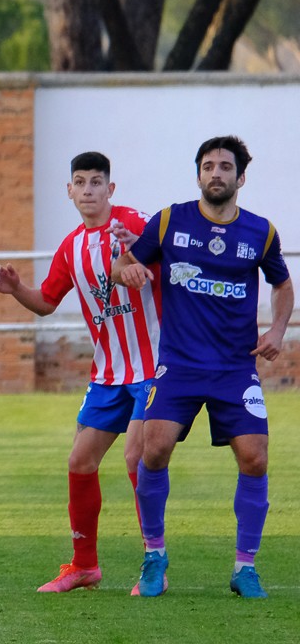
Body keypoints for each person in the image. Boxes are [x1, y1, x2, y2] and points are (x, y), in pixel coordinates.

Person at [112, 136, 293, 599]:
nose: (216, 173)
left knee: (255, 456)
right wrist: (126, 269)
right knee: (153, 450)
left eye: (225, 167)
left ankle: (245, 567)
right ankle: (154, 556)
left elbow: (281, 283)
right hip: (180, 363)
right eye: (209, 166)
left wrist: (276, 331)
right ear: (198, 175)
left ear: (240, 177)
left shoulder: (261, 232)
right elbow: (125, 265)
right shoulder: (171, 220)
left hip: (235, 367)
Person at [0, 151, 161, 594]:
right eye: (80, 182)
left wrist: (144, 260)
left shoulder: (135, 223)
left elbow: (168, 255)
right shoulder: (71, 248)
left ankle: (153, 562)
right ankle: (84, 566)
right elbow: (47, 302)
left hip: (155, 367)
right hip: (108, 373)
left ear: (111, 189)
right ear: (69, 190)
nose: (88, 190)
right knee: (79, 461)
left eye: (96, 182)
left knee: (135, 459)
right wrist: (15, 290)